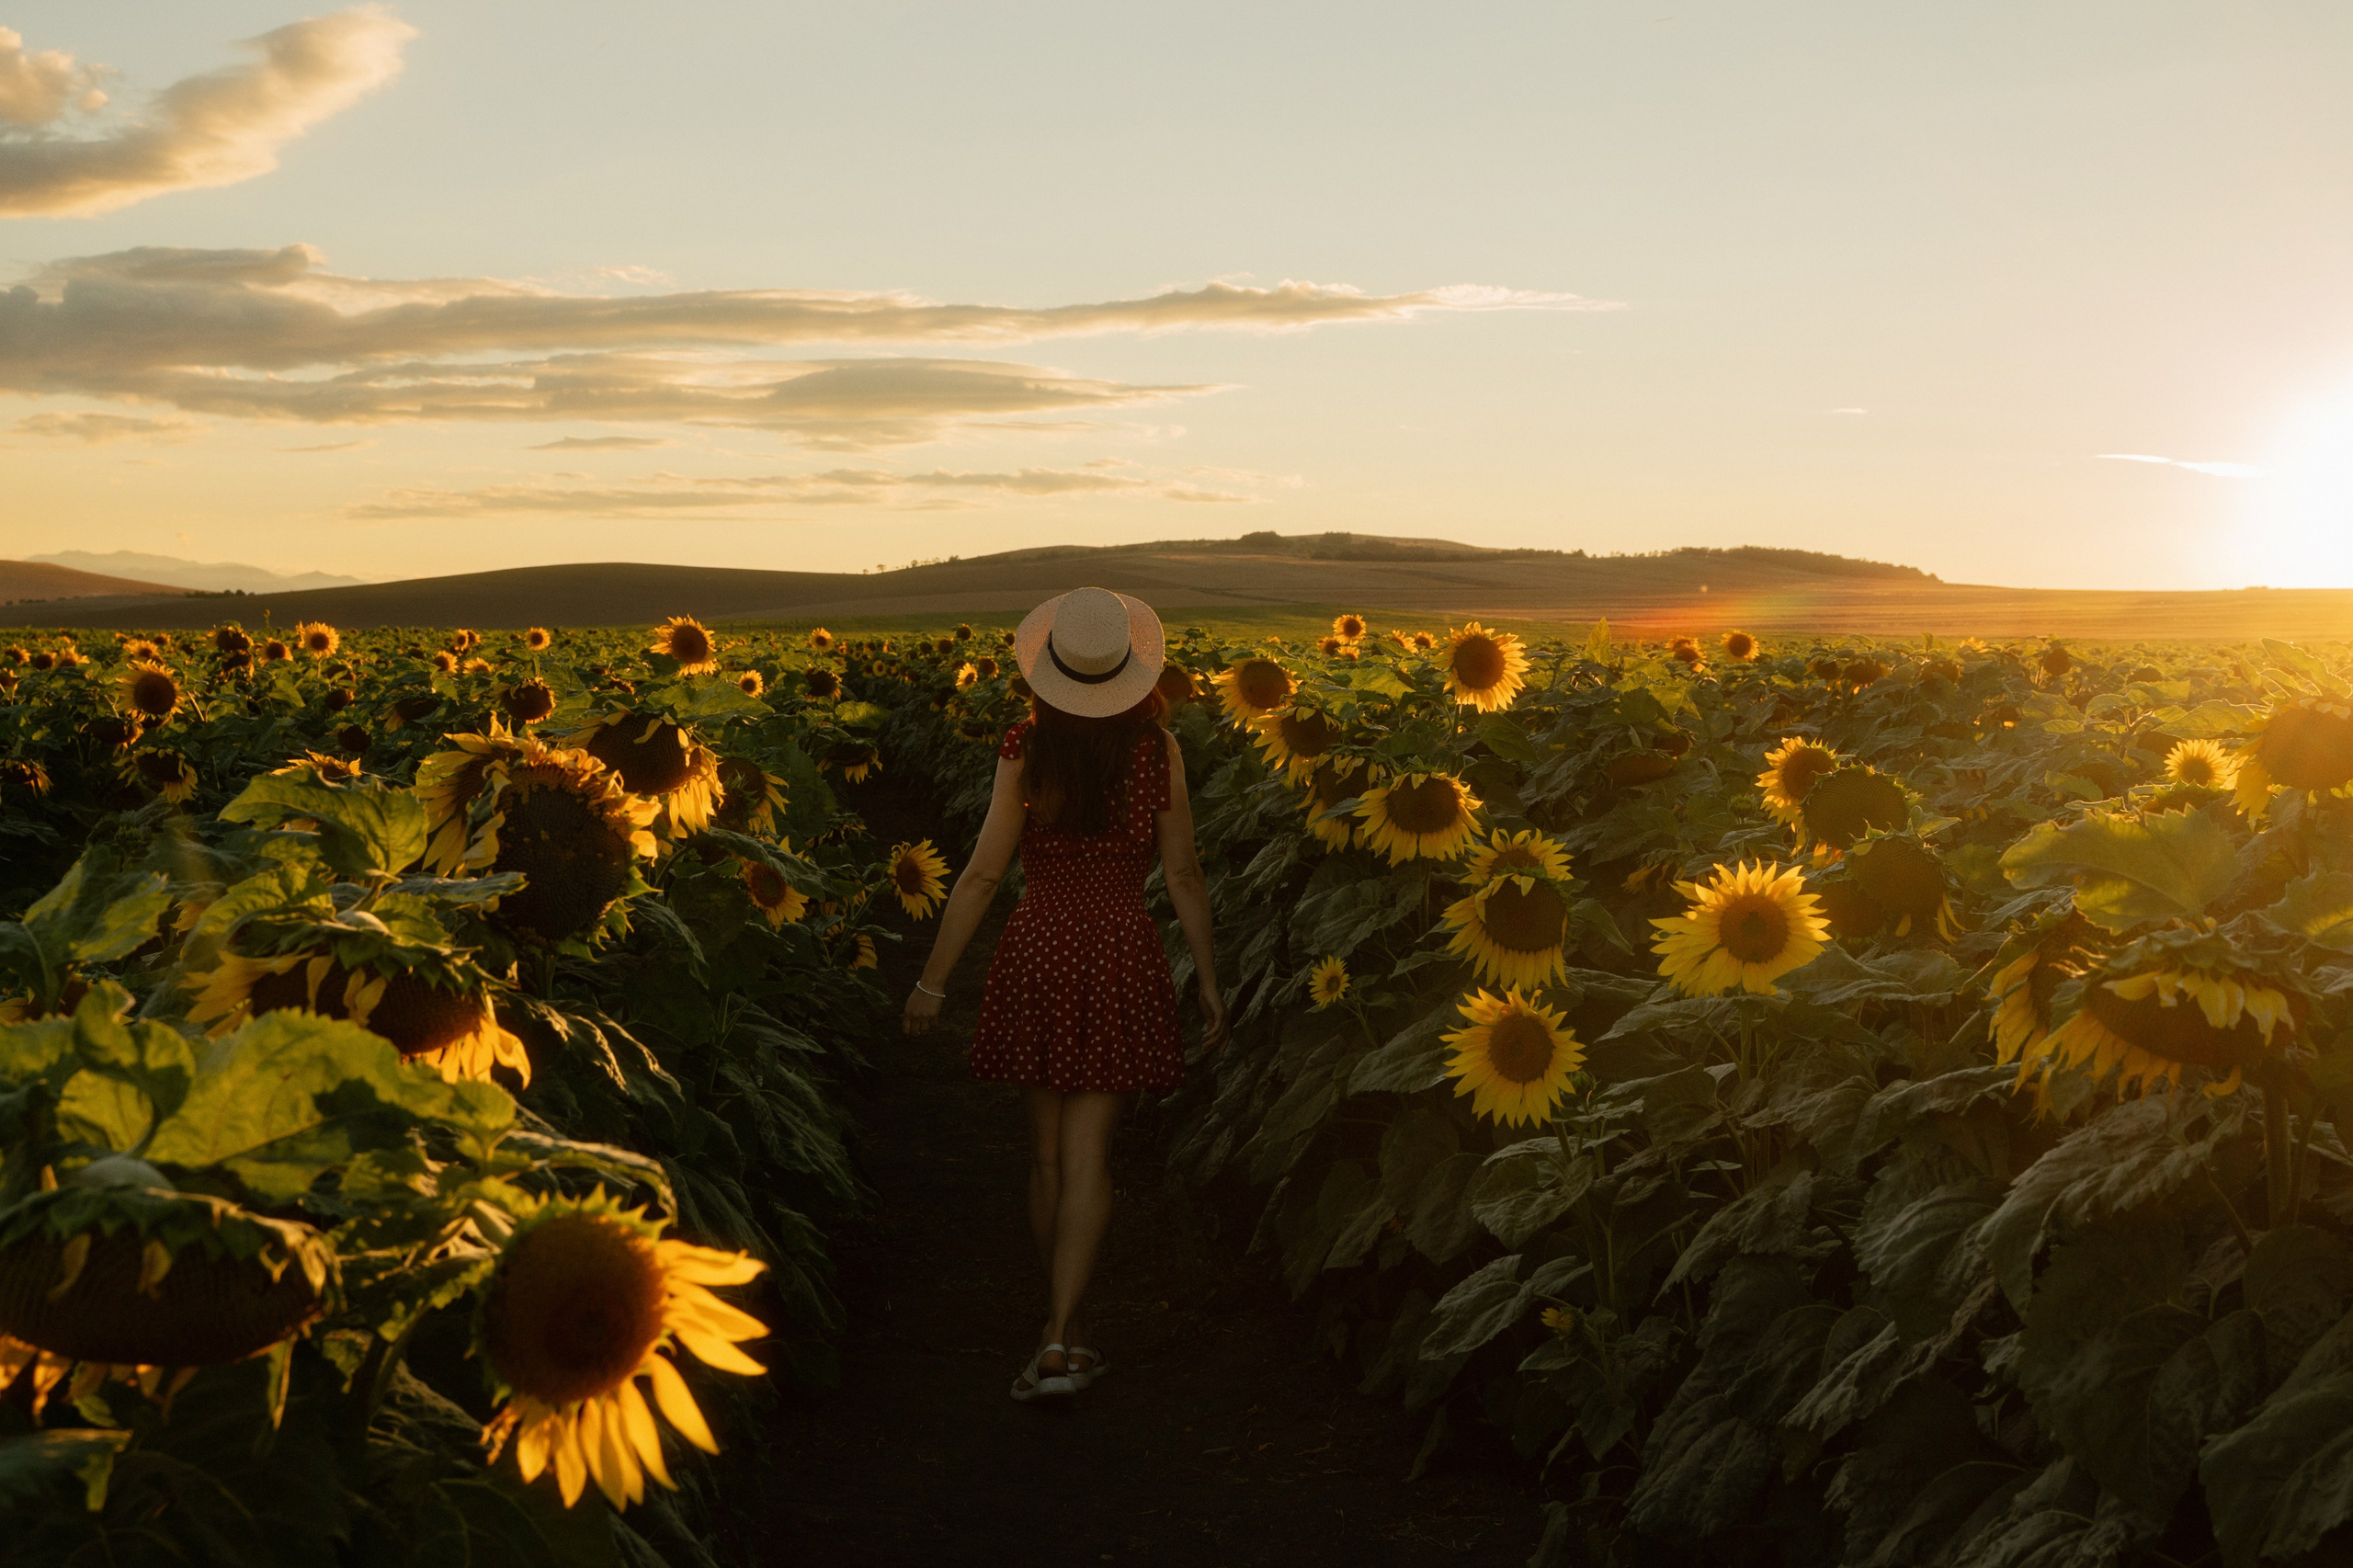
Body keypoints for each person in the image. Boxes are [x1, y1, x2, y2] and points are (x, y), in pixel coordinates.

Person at [902, 586, 1228, 1403]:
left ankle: (1059, 1334)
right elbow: (1183, 874)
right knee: (1091, 1159)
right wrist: (1210, 981)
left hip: (1039, 945)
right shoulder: (1158, 751)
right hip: (1120, 945)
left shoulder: (1025, 744)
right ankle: (1063, 1335)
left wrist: (931, 981)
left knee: (1045, 1158)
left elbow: (982, 873)